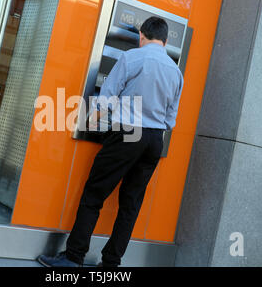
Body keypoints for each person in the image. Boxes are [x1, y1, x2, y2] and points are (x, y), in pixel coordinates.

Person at [37, 16, 184, 267]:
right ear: (166, 41)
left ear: (141, 35)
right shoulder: (175, 71)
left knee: (94, 193)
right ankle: (110, 263)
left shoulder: (132, 58)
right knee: (131, 204)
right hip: (153, 141)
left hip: (128, 133)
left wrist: (91, 122)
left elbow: (107, 97)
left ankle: (73, 258)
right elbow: (171, 120)